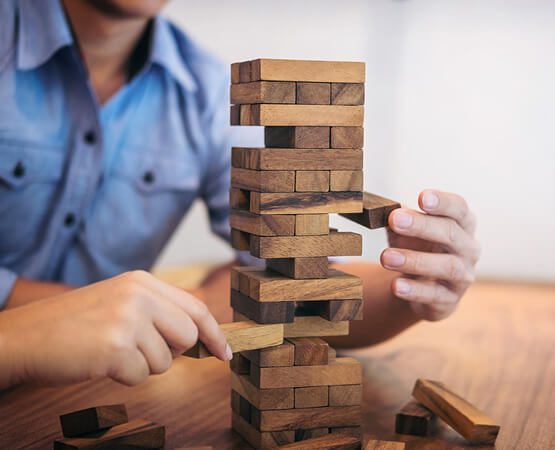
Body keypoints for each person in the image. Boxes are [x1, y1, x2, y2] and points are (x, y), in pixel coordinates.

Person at [0, 0, 481, 389]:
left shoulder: (206, 91)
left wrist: (415, 290)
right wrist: (26, 335)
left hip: (94, 387)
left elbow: (291, 278)